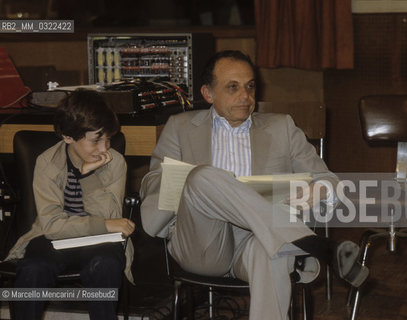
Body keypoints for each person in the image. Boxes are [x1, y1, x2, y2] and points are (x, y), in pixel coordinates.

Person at [140, 50, 368, 320]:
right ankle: (310, 243)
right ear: (208, 93)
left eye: (250, 86)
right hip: (202, 243)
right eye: (232, 87)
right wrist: (198, 185)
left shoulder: (281, 127)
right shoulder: (180, 127)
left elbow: (328, 179)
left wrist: (321, 189)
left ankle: (294, 239)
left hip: (258, 241)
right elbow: (150, 183)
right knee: (201, 177)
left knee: (275, 254)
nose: (245, 96)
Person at [4, 89, 135, 320]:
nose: (104, 149)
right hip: (54, 238)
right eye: (96, 140)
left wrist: (89, 178)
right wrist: (105, 224)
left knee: (105, 265)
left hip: (100, 242)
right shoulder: (47, 163)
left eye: (108, 139)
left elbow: (110, 216)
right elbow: (54, 226)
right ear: (67, 137)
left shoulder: (115, 163)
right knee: (32, 270)